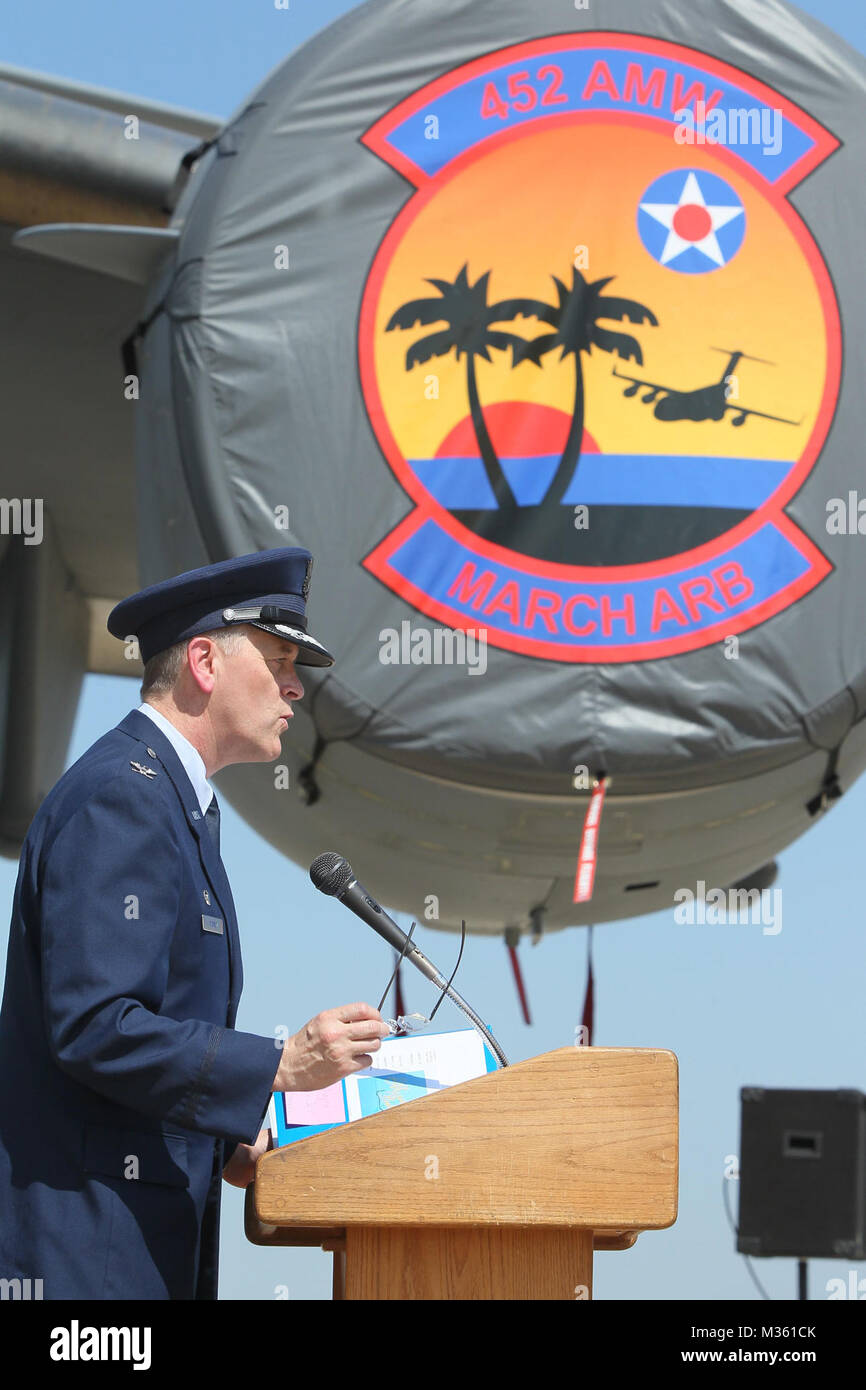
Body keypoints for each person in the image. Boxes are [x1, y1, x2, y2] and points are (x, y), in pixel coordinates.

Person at [0, 547, 389, 1300]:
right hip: (85, 1266)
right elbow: (95, 1025)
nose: (295, 688)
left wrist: (230, 1134)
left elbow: (141, 1048)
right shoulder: (126, 797)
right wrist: (275, 1066)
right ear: (204, 662)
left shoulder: (169, 800)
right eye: (280, 658)